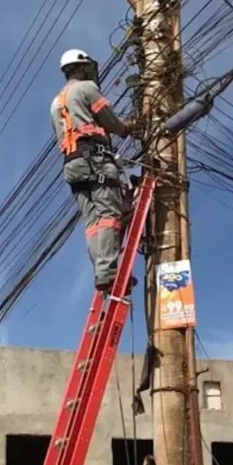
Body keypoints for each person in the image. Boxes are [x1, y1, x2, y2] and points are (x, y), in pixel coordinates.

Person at [50, 48, 138, 293]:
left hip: (72, 165)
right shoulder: (87, 88)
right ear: (81, 67)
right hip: (95, 159)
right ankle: (108, 272)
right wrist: (127, 128)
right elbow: (109, 120)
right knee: (109, 214)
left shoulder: (55, 103)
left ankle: (102, 271)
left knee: (93, 222)